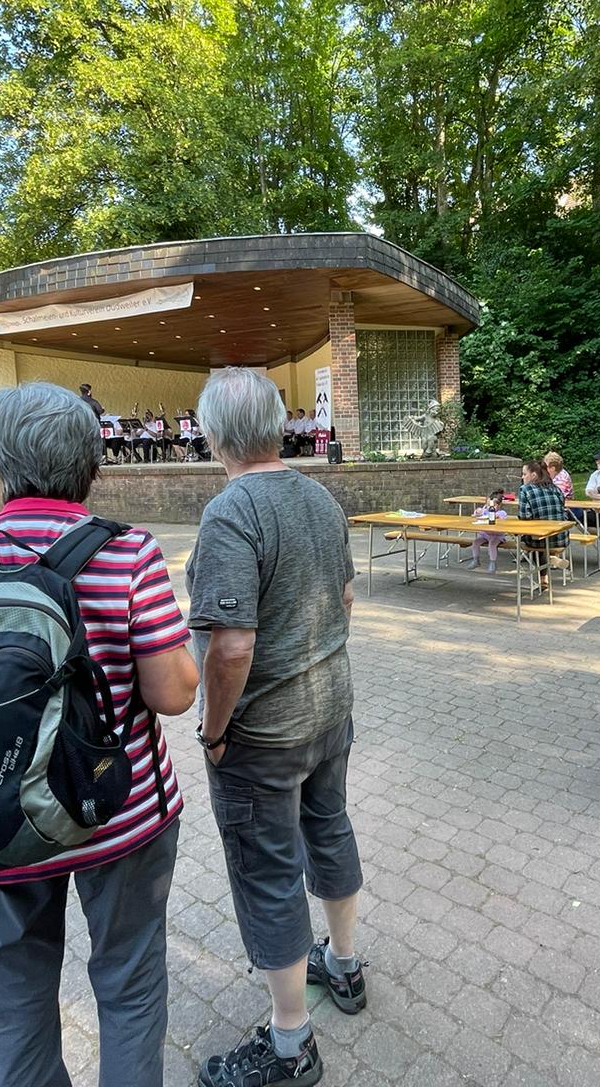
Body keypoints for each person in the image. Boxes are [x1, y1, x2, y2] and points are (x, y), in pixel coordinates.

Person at [0, 382, 199, 1087]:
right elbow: (173, 694)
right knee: (128, 984)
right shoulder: (128, 555)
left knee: (13, 1003)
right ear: (93, 460)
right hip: (115, 818)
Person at [187, 368, 365, 1087]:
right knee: (329, 826)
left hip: (264, 735)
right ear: (278, 425)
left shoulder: (231, 513)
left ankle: (291, 1044)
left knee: (266, 874)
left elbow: (231, 647)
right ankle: (344, 967)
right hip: (332, 709)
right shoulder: (320, 496)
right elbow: (346, 598)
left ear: (212, 434)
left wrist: (213, 729)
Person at [516, 459, 571, 593]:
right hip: (561, 537)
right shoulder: (556, 489)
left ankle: (547, 565)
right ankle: (545, 576)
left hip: (539, 540)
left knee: (529, 541)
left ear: (533, 475)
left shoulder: (525, 489)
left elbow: (524, 517)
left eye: (524, 474)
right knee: (540, 541)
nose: (522, 477)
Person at [466, 488, 508, 573]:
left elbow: (498, 516)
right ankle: (476, 560)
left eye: (493, 505)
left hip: (497, 535)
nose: (490, 507)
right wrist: (477, 512)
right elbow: (476, 514)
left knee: (492, 544)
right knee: (475, 542)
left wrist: (491, 514)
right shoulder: (485, 511)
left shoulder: (502, 513)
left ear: (499, 505)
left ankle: (493, 563)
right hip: (485, 534)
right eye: (488, 505)